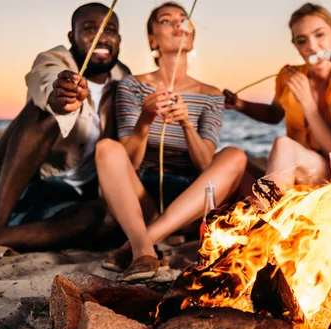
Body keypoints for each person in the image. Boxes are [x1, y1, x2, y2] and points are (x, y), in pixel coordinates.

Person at [0, 3, 130, 274]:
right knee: (44, 114)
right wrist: (59, 98)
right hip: (2, 189)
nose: (101, 37)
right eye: (90, 29)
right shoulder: (54, 60)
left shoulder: (125, 80)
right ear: (71, 36)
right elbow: (46, 83)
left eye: (110, 30)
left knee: (105, 215)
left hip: (57, 204)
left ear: (119, 40)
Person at [95, 2, 247, 282]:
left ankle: (136, 246)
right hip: (140, 199)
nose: (178, 25)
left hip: (189, 202)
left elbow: (205, 164)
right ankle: (144, 246)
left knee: (235, 155)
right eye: (166, 21)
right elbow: (128, 162)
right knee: (106, 148)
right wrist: (146, 118)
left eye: (183, 19)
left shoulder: (211, 95)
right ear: (152, 40)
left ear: (191, 34)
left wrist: (187, 124)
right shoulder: (132, 86)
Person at [223, 3, 331, 192]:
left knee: (283, 145)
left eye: (319, 35)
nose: (312, 47)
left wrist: (308, 103)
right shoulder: (289, 76)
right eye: (302, 41)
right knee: (230, 159)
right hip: (294, 172)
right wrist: (241, 104)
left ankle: (267, 214)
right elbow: (274, 114)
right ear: (297, 47)